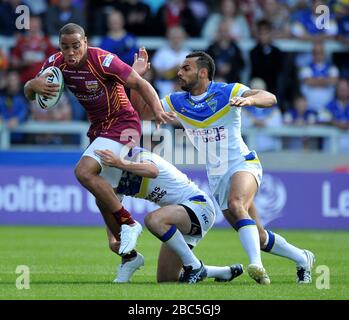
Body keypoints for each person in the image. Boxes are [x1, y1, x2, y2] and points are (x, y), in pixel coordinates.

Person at [131, 48, 316, 285]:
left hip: (242, 163)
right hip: (217, 176)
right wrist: (136, 80)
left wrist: (249, 99)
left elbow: (270, 98)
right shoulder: (176, 101)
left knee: (236, 203)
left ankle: (257, 266)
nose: (179, 72)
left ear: (203, 72)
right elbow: (142, 112)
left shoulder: (227, 91)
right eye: (180, 68)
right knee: (258, 236)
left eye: (186, 68)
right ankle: (303, 258)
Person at [23, 23, 175, 257]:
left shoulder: (103, 60)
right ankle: (130, 257)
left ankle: (130, 224)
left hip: (123, 123)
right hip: (99, 129)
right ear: (60, 46)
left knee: (83, 172)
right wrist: (32, 85)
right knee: (104, 202)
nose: (71, 52)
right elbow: (29, 92)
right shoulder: (56, 63)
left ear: (85, 42)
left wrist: (157, 110)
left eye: (76, 46)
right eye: (65, 47)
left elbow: (140, 83)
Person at [95, 147, 243, 284]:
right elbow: (112, 207)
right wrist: (113, 240)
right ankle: (223, 272)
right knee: (166, 279)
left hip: (199, 206)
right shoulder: (113, 177)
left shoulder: (134, 154)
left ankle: (194, 266)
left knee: (153, 220)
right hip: (179, 219)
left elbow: (153, 171)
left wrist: (120, 163)